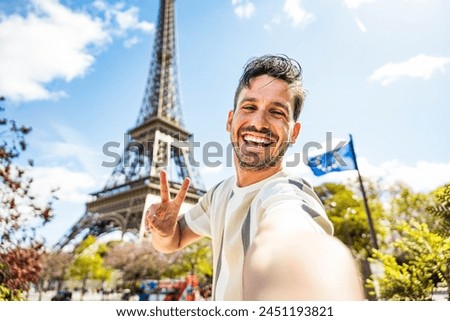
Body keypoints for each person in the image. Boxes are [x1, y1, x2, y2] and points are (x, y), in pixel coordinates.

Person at [145, 54, 365, 301]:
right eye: (249, 107)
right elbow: (172, 241)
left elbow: (292, 235)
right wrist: (163, 233)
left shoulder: (288, 192)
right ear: (230, 120)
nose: (259, 122)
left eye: (277, 112)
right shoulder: (218, 194)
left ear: (294, 133)